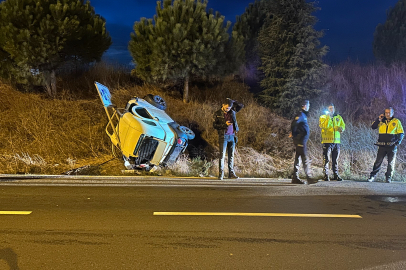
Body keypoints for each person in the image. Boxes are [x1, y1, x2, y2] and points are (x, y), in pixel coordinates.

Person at [368, 107, 404, 183]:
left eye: (389, 112)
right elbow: (373, 127)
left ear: (392, 113)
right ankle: (372, 176)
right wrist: (378, 119)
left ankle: (388, 177)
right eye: (386, 112)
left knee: (391, 163)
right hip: (382, 145)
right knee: (378, 161)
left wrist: (397, 142)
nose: (387, 114)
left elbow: (401, 133)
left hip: (392, 146)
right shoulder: (381, 121)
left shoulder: (396, 121)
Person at [213, 98, 244, 180]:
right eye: (227, 108)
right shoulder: (217, 113)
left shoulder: (232, 111)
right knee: (222, 155)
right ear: (223, 105)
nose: (228, 109)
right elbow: (215, 126)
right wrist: (225, 124)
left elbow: (241, 105)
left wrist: (233, 101)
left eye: (229, 108)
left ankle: (231, 173)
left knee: (231, 156)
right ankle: (221, 173)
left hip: (232, 136)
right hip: (223, 136)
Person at [319, 103, 345, 181]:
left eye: (332, 108)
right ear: (327, 110)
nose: (331, 110)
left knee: (335, 159)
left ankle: (335, 175)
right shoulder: (323, 117)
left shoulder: (338, 117)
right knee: (326, 159)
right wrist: (328, 118)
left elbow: (343, 125)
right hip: (327, 141)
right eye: (330, 108)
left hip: (336, 142)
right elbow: (324, 126)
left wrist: (341, 129)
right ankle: (326, 175)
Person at [290, 100, 313, 184]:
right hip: (300, 140)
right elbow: (294, 124)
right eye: (308, 105)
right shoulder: (301, 115)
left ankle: (295, 178)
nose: (309, 107)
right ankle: (309, 177)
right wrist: (294, 134)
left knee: (298, 158)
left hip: (301, 140)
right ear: (305, 106)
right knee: (304, 158)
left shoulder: (303, 115)